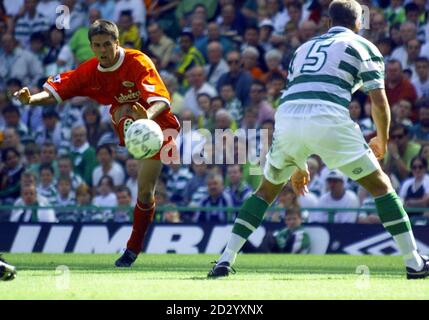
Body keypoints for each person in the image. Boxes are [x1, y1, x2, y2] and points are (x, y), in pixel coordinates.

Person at [208, 0, 429, 280]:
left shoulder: (302, 49)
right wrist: (382, 139)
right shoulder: (363, 46)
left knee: (264, 192)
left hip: (287, 118)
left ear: (327, 22)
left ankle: (225, 259)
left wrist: (297, 163)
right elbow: (378, 100)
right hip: (327, 116)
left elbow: (302, 99)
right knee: (381, 186)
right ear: (359, 22)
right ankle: (414, 262)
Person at [13, 19, 181, 268]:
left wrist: (147, 117)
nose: (103, 50)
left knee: (145, 192)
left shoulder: (138, 61)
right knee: (119, 110)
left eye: (107, 44)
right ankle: (129, 135)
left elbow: (162, 100)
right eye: (97, 45)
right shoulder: (90, 70)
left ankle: (132, 249)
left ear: (117, 42)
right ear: (91, 46)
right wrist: (31, 100)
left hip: (159, 125)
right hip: (129, 123)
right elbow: (56, 92)